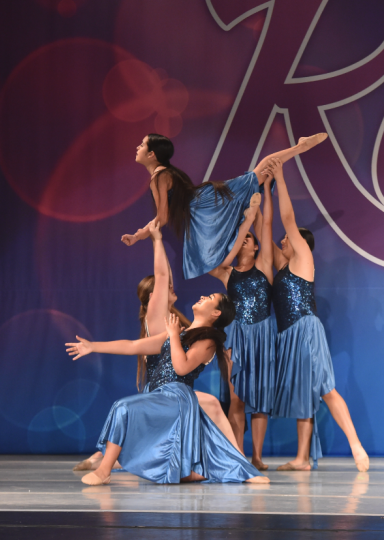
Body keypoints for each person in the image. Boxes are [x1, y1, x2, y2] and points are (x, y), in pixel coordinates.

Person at [74, 220, 241, 472]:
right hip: (162, 390)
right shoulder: (159, 316)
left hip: (171, 388)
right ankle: (229, 460)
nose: (170, 287)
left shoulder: (176, 324)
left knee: (211, 407)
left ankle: (109, 458)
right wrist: (156, 239)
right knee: (210, 407)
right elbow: (161, 276)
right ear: (153, 296)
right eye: (165, 288)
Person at [66, 298, 268, 485]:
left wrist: (173, 336)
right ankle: (193, 472)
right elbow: (133, 345)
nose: (203, 297)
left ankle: (103, 471)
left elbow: (181, 368)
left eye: (209, 298)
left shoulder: (208, 341)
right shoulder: (178, 332)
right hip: (157, 394)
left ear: (216, 313)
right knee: (125, 411)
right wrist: (93, 346)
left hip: (177, 396)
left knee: (122, 407)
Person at [268, 160, 369, 472]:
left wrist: (281, 179)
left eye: (288, 239)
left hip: (305, 330)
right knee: (302, 395)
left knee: (326, 390)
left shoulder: (303, 260)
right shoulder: (283, 267)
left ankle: (356, 446)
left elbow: (287, 219)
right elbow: (266, 229)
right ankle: (302, 459)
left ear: (299, 245)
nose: (283, 240)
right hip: (288, 334)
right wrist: (259, 196)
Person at [121, 132, 327, 279]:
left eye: (142, 144)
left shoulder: (158, 177)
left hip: (203, 205)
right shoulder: (164, 174)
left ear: (152, 155)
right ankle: (297, 150)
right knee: (258, 175)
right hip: (202, 205)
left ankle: (300, 147)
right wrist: (140, 234)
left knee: (258, 174)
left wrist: (139, 235)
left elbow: (163, 217)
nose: (138, 147)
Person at [208, 170, 276, 471]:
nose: (243, 241)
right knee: (236, 398)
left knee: (259, 400)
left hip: (261, 334)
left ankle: (257, 455)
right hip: (237, 336)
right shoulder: (227, 273)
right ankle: (238, 451)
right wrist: (241, 225)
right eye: (241, 239)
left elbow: (268, 226)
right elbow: (214, 261)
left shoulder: (263, 264)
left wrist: (262, 196)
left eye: (247, 239)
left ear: (256, 246)